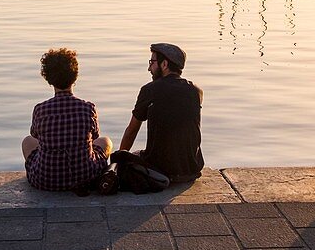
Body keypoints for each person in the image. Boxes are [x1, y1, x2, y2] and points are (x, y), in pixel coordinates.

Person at [23, 48, 113, 191]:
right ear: (75, 76)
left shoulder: (40, 110)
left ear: (48, 78)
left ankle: (51, 167)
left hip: (45, 179)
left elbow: (36, 137)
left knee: (27, 141)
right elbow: (95, 137)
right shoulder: (88, 108)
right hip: (86, 177)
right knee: (105, 141)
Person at [118, 43, 204, 184]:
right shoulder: (196, 91)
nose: (149, 68)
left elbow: (132, 130)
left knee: (132, 157)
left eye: (152, 62)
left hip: (161, 170)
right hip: (191, 169)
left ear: (164, 64)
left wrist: (120, 159)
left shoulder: (149, 90)